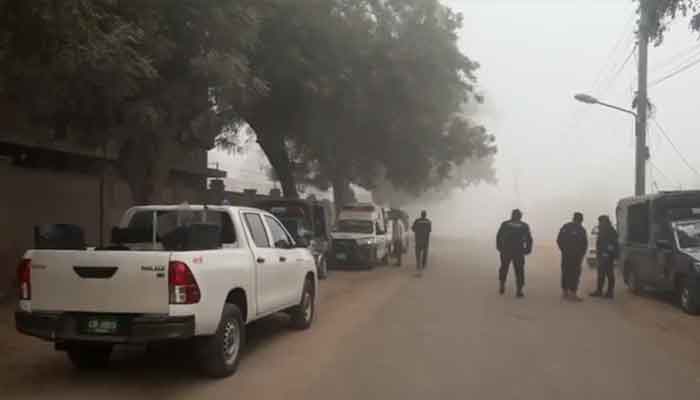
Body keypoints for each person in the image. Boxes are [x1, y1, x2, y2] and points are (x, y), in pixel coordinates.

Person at [496, 209, 533, 297]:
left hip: (506, 250)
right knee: (519, 270)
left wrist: (500, 247)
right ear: (520, 216)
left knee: (504, 268)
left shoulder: (505, 224)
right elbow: (529, 239)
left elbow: (499, 236)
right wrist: (528, 249)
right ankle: (519, 290)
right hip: (519, 251)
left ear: (512, 215)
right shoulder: (524, 225)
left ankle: (502, 284)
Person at [557, 212, 588, 301]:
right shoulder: (576, 228)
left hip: (571, 255)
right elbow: (559, 240)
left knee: (569, 273)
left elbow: (584, 244)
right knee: (573, 274)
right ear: (580, 220)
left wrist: (564, 250)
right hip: (572, 256)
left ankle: (568, 292)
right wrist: (564, 250)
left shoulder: (576, 228)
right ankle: (570, 292)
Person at [590, 215, 619, 299]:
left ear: (604, 221)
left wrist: (607, 253)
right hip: (602, 255)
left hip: (607, 256)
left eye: (600, 221)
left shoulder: (610, 230)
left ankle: (609, 293)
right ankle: (599, 291)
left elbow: (613, 243)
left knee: (609, 274)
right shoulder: (603, 229)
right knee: (601, 274)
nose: (599, 223)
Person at [412, 211, 432, 275]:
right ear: (425, 215)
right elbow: (429, 231)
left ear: (421, 215)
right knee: (425, 253)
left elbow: (413, 228)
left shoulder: (417, 221)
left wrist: (417, 231)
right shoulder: (428, 221)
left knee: (418, 252)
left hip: (418, 239)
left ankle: (418, 264)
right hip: (425, 240)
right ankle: (423, 264)